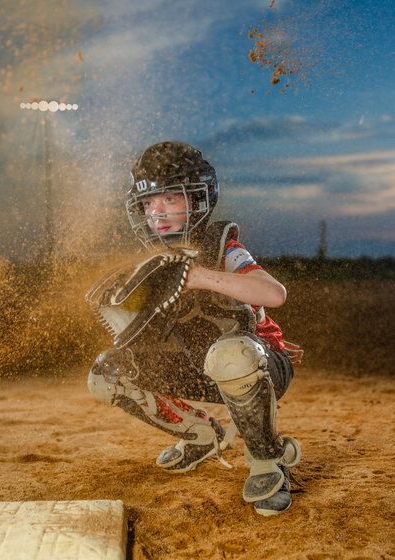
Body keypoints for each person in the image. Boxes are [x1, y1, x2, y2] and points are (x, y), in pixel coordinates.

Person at [87, 141, 304, 516]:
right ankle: (201, 436)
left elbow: (273, 293)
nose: (158, 212)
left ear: (197, 199)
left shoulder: (220, 247)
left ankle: (268, 461)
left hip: (257, 366)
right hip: (202, 365)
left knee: (232, 354)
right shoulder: (154, 263)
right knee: (107, 372)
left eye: (170, 199)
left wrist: (199, 276)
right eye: (149, 204)